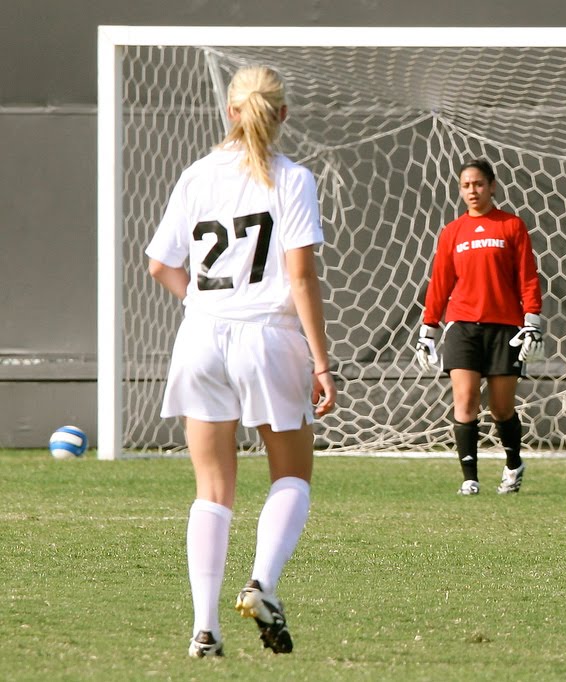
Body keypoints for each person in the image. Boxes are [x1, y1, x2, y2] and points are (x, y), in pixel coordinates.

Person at [145, 65, 336, 657]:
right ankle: (263, 583)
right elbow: (300, 276)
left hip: (201, 335)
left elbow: (160, 265)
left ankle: (205, 628)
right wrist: (322, 363)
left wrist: (203, 303)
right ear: (282, 115)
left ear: (229, 111)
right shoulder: (292, 178)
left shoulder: (195, 175)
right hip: (267, 336)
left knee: (212, 488)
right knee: (291, 476)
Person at [415, 159, 544, 496]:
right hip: (463, 328)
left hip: (505, 328)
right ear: (460, 190)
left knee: (501, 407)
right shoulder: (452, 232)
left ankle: (514, 465)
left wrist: (532, 320)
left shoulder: (512, 226)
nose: (472, 191)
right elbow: (440, 282)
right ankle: (469, 478)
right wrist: (428, 328)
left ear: (492, 186)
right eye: (466, 185)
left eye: (478, 184)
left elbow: (527, 277)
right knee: (465, 399)